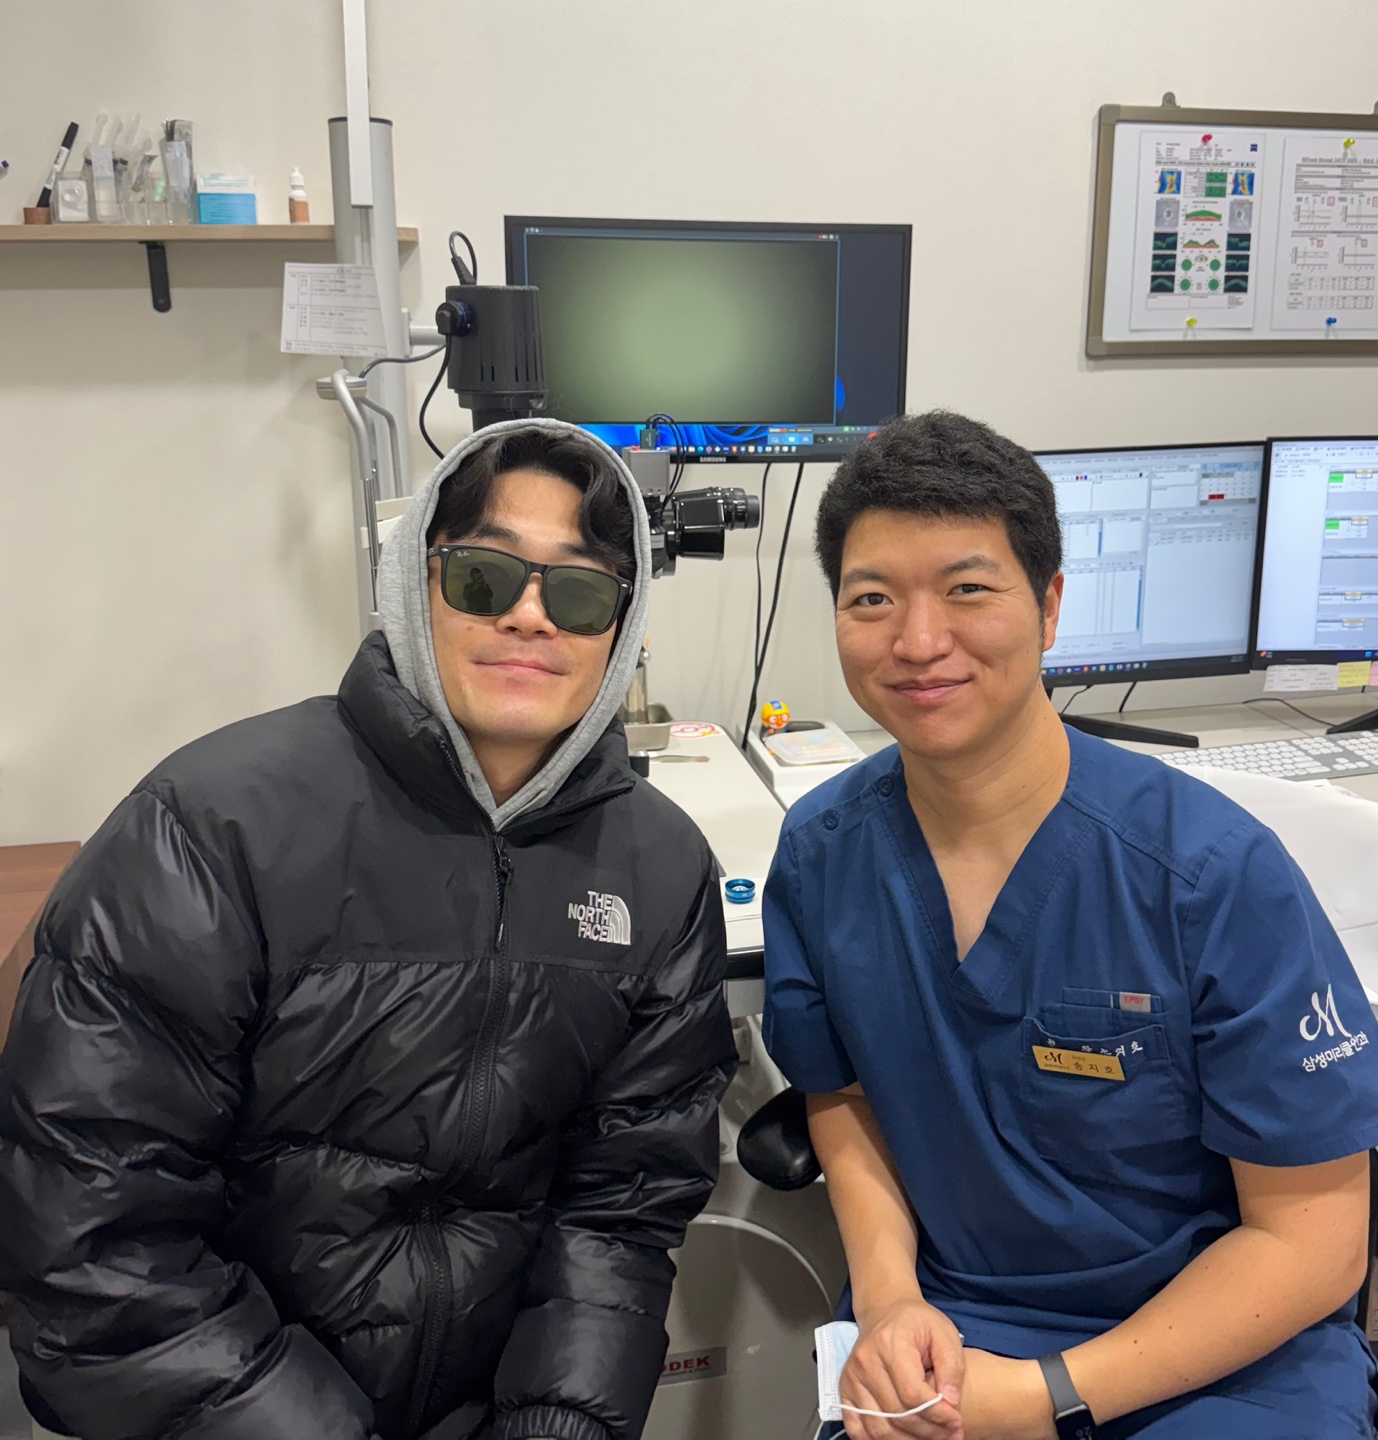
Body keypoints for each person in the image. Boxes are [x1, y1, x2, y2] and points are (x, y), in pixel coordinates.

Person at [0, 419, 737, 1440]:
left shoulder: (660, 868)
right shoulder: (211, 829)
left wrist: (555, 1427)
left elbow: (621, 1210)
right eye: (483, 577)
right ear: (411, 584)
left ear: (620, 626)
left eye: (577, 593)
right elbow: (93, 1234)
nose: (529, 616)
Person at [762, 411, 1378, 1439]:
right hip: (952, 1326)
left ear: (1049, 607)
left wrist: (1046, 1396)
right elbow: (843, 1094)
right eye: (872, 599)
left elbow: (1314, 1241)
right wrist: (889, 1298)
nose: (918, 642)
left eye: (968, 589)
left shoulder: (1208, 876)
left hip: (1219, 1344)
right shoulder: (823, 854)